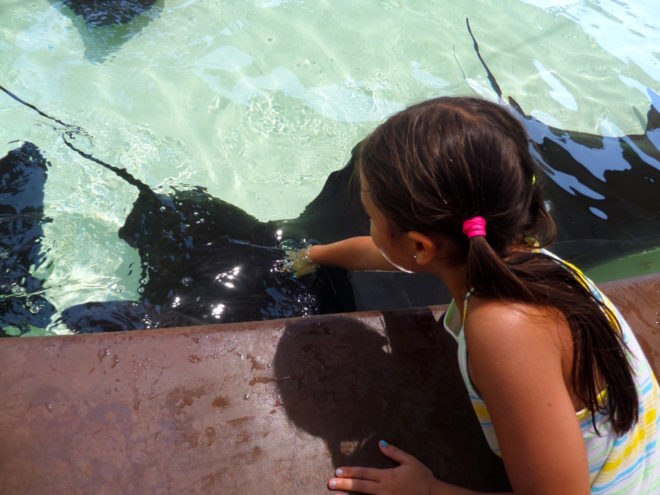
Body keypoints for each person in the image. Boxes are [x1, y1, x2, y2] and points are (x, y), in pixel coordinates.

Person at [286, 97, 660, 494]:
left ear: (421, 247)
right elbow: (385, 252)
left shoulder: (502, 330)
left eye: (374, 218)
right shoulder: (520, 253)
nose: (372, 227)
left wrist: (426, 490)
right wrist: (312, 255)